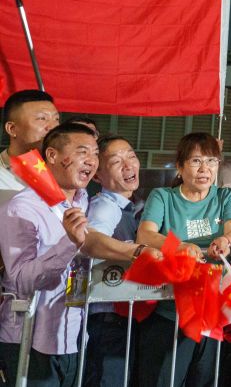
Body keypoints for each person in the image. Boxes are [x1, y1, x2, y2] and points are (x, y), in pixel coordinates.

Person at [135, 132, 231, 387]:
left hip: (210, 308)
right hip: (169, 308)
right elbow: (145, 234)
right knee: (165, 378)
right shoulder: (163, 196)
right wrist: (179, 246)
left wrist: (225, 241)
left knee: (204, 378)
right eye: (196, 161)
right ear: (180, 167)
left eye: (211, 161)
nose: (205, 169)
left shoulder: (225, 196)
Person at [0, 122, 97, 386]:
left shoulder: (83, 200)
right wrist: (69, 243)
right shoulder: (22, 207)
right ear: (52, 155)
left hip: (72, 333)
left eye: (95, 153)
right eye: (82, 152)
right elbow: (21, 279)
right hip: (29, 338)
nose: (92, 160)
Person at [82, 136, 144, 386]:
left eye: (131, 156)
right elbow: (92, 242)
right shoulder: (104, 206)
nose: (128, 165)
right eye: (117, 161)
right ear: (97, 176)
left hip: (123, 314)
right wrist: (139, 251)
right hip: (107, 317)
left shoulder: (131, 206)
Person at [0, 89, 60, 206]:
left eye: (56, 119)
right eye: (42, 118)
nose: (53, 127)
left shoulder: (62, 169)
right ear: (12, 129)